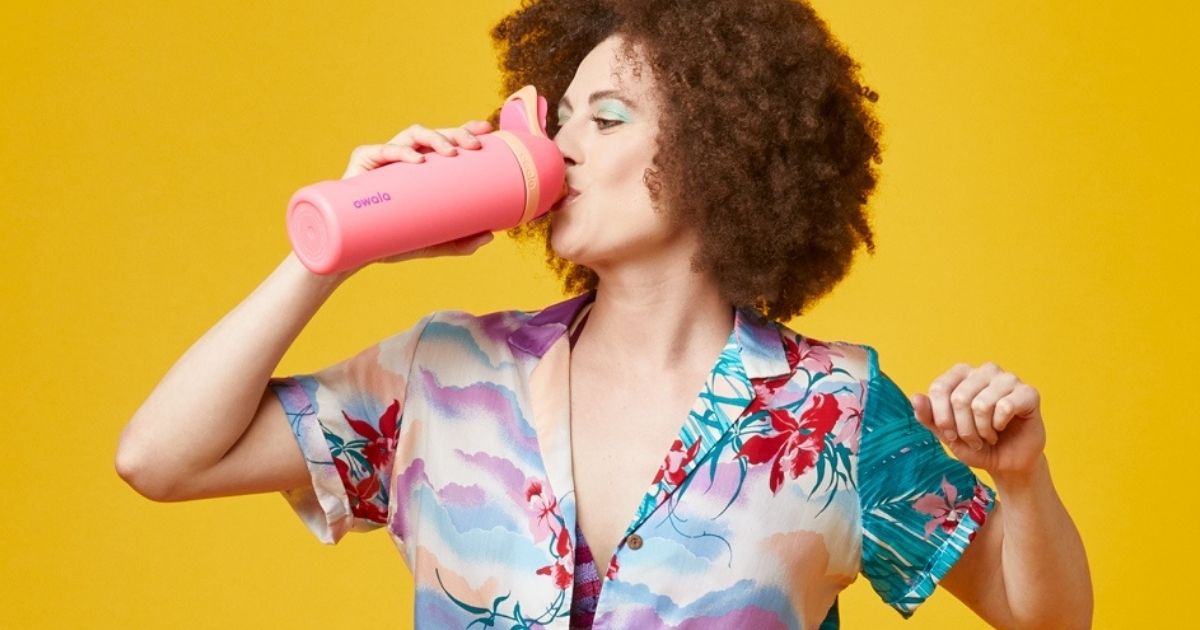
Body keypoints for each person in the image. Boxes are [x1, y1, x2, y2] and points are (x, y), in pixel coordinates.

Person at [115, 0, 1093, 628]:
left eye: (608, 116)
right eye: (558, 115)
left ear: (728, 150)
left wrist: (1022, 479)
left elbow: (1045, 617)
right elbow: (161, 459)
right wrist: (334, 250)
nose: (562, 144)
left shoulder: (831, 411)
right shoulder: (445, 374)